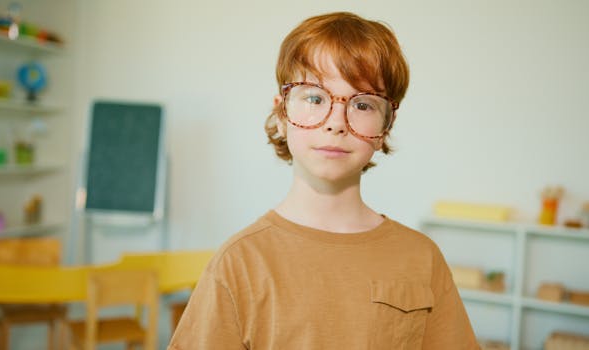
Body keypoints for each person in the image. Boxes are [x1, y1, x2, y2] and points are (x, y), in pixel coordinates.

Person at [168, 11, 479, 349]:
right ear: (282, 113)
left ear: (385, 127)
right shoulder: (238, 263)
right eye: (315, 98)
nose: (336, 122)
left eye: (362, 105)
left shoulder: (422, 259)